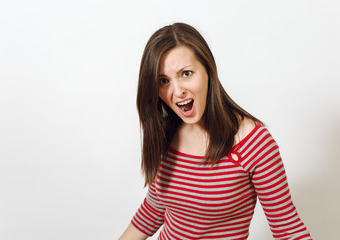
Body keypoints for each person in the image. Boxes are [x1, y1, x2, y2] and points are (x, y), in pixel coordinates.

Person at [119, 23, 312, 240]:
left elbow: (289, 229)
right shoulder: (165, 132)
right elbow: (152, 211)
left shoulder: (255, 144)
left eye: (186, 73)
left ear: (208, 70)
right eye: (163, 81)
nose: (177, 91)